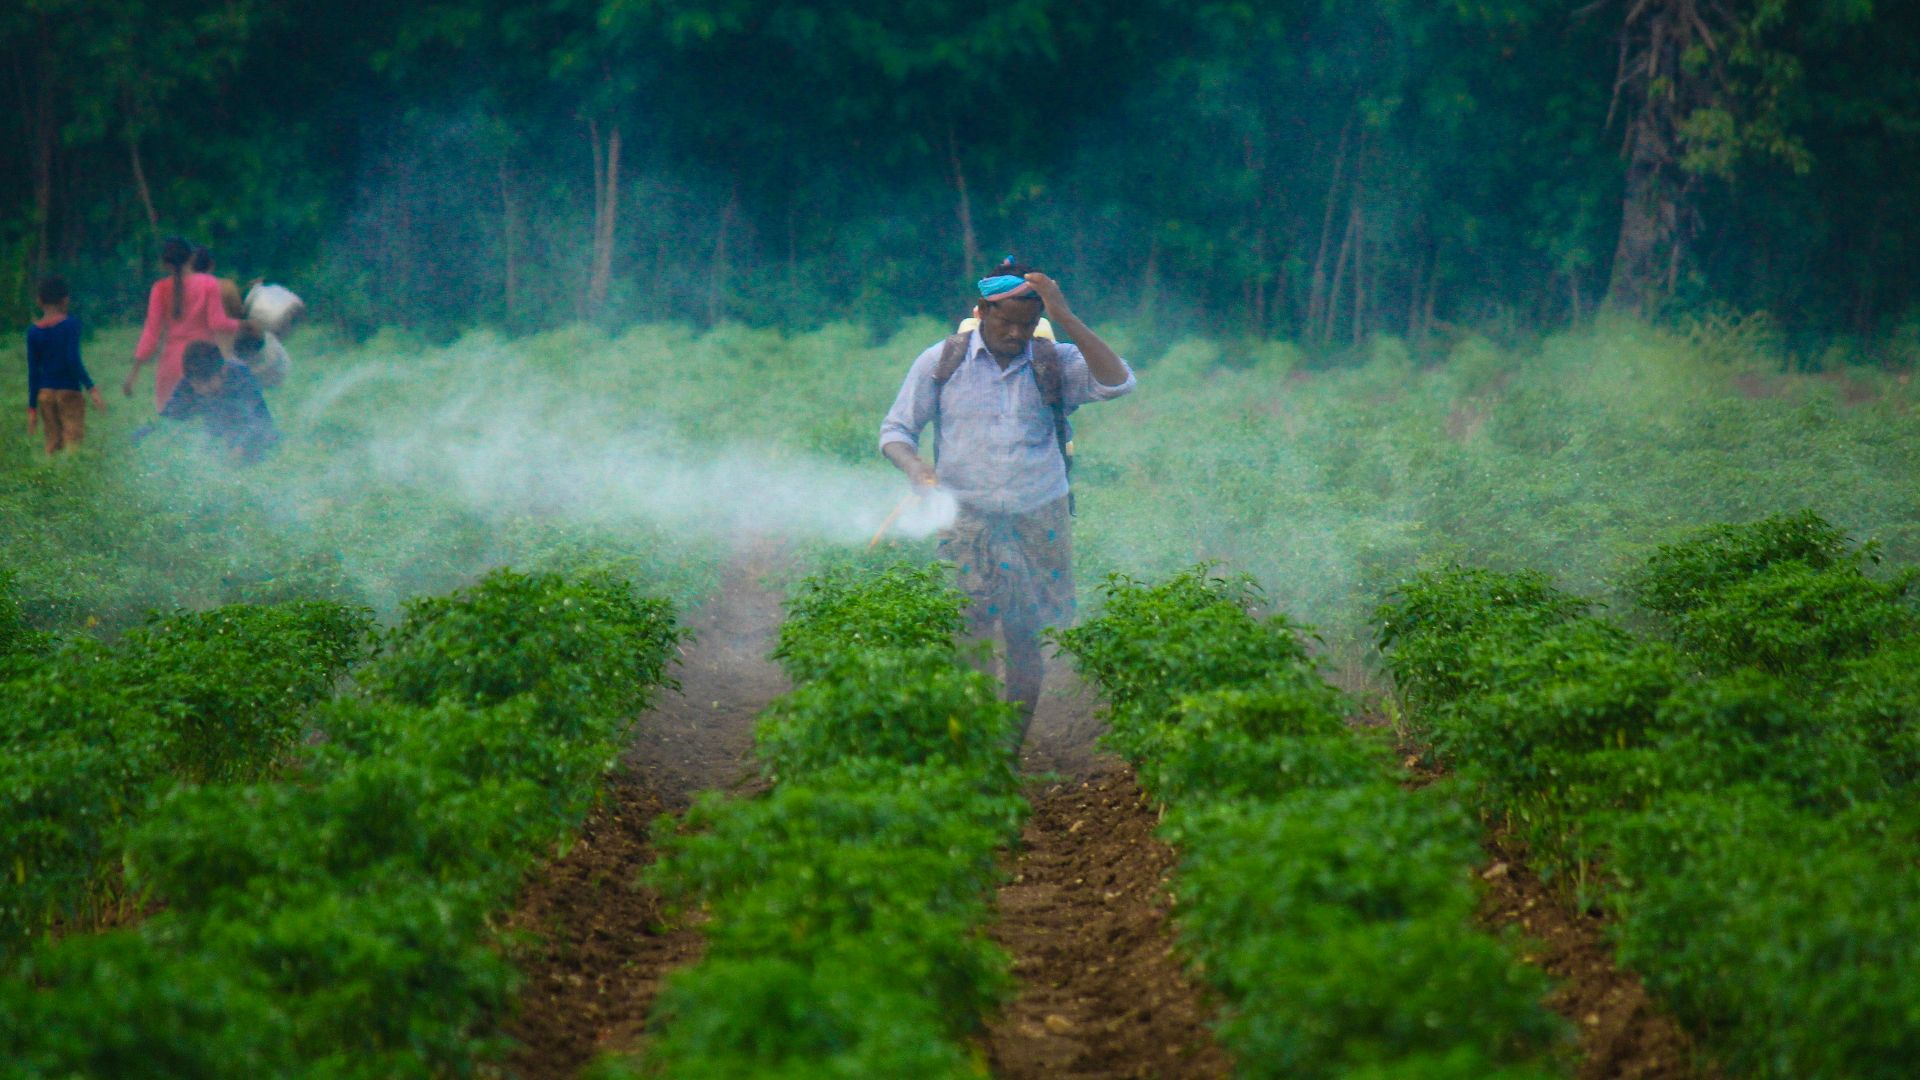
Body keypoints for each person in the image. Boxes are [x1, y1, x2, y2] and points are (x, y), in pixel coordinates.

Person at [879, 260, 1136, 739]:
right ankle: (974, 736)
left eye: (1026, 324)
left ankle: (1010, 745)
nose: (1016, 334)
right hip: (965, 517)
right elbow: (896, 431)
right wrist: (916, 468)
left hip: (1040, 514)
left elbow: (1117, 381)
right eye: (1006, 322)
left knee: (1027, 635)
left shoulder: (1054, 360)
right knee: (969, 631)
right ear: (981, 311)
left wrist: (1065, 315)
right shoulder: (942, 360)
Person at [126, 236, 243, 411]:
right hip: (203, 361)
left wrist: (133, 373)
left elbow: (151, 334)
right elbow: (217, 323)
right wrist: (242, 325)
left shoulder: (159, 289)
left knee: (174, 424)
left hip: (171, 365)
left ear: (165, 264)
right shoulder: (209, 283)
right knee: (206, 423)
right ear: (192, 257)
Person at [140, 341, 278, 464]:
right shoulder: (188, 383)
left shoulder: (240, 376)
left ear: (223, 370)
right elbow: (171, 417)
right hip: (216, 436)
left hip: (255, 436)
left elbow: (259, 420)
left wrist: (240, 446)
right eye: (197, 385)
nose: (203, 389)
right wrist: (151, 432)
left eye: (207, 382)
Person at [25, 275, 104, 454]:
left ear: (39, 301)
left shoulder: (33, 332)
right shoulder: (71, 324)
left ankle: (49, 475)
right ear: (65, 300)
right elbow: (72, 360)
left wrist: (32, 408)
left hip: (45, 394)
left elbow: (33, 372)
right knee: (73, 442)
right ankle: (69, 475)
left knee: (52, 442)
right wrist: (91, 388)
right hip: (69, 391)